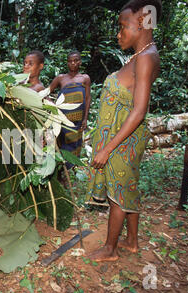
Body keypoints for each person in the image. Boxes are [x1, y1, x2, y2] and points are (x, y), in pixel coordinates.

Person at [85, 0, 161, 262]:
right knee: (128, 186)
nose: (119, 34)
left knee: (117, 193)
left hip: (123, 141)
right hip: (124, 136)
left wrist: (107, 148)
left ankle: (110, 248)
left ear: (142, 22)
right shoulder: (142, 56)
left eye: (122, 26)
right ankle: (131, 241)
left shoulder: (146, 59)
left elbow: (139, 111)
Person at [49, 50, 92, 162]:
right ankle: (61, 170)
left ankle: (71, 169)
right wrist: (52, 106)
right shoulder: (61, 78)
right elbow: (46, 92)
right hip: (62, 120)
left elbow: (87, 98)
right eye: (70, 61)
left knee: (75, 145)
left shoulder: (85, 78)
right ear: (67, 63)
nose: (73, 63)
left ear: (80, 62)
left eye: (75, 60)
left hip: (78, 121)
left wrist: (85, 118)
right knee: (62, 145)